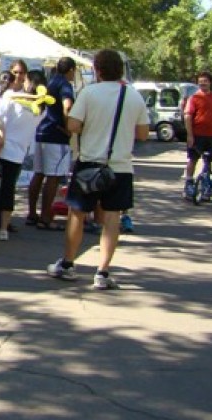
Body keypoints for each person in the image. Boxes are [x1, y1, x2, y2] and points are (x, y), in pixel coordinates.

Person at [47, 49, 149, 290]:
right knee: (112, 217)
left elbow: (73, 124)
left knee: (77, 213)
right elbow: (143, 134)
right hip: (121, 166)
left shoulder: (89, 93)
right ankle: (102, 272)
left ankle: (69, 264)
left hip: (90, 162)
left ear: (97, 69)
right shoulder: (133, 96)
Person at [0, 69, 45, 241]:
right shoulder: (41, 108)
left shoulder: (12, 98)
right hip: (19, 152)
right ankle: (3, 227)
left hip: (2, 149)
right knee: (8, 189)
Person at [27, 57, 76, 230]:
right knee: (53, 176)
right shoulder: (64, 84)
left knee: (38, 173)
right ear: (71, 70)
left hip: (43, 131)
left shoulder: (52, 81)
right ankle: (46, 217)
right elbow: (67, 106)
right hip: (56, 134)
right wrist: (68, 127)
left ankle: (32, 213)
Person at [183, 71, 212, 200]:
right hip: (197, 135)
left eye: (205, 81)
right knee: (193, 159)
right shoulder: (194, 98)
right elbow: (188, 117)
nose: (202, 83)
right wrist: (190, 135)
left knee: (209, 160)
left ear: (210, 82)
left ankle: (206, 186)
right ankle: (188, 184)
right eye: (200, 81)